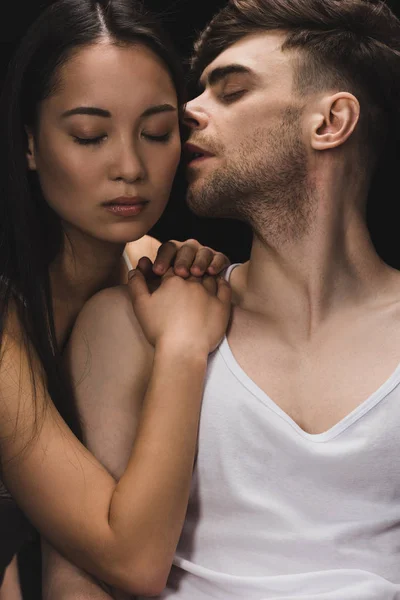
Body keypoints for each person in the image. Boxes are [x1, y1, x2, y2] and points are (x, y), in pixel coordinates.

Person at [44, 0, 400, 598]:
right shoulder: (132, 319)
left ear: (330, 121)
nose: (186, 112)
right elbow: (81, 581)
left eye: (230, 92)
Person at [0, 0, 233, 595]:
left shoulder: (154, 269)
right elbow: (132, 561)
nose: (130, 166)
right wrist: (182, 345)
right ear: (29, 144)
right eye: (89, 135)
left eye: (157, 132)